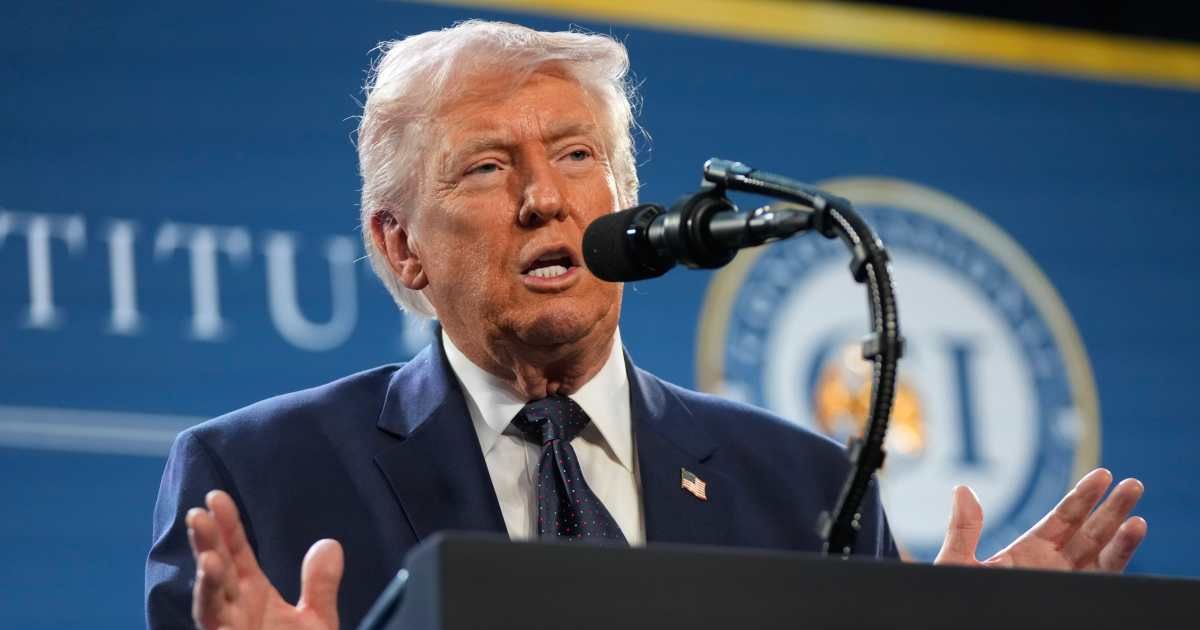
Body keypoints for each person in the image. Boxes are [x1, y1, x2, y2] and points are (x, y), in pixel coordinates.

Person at [144, 20, 1148, 630]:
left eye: (578, 157)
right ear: (400, 246)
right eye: (489, 167)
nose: (545, 199)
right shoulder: (259, 481)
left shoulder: (800, 491)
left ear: (626, 198)